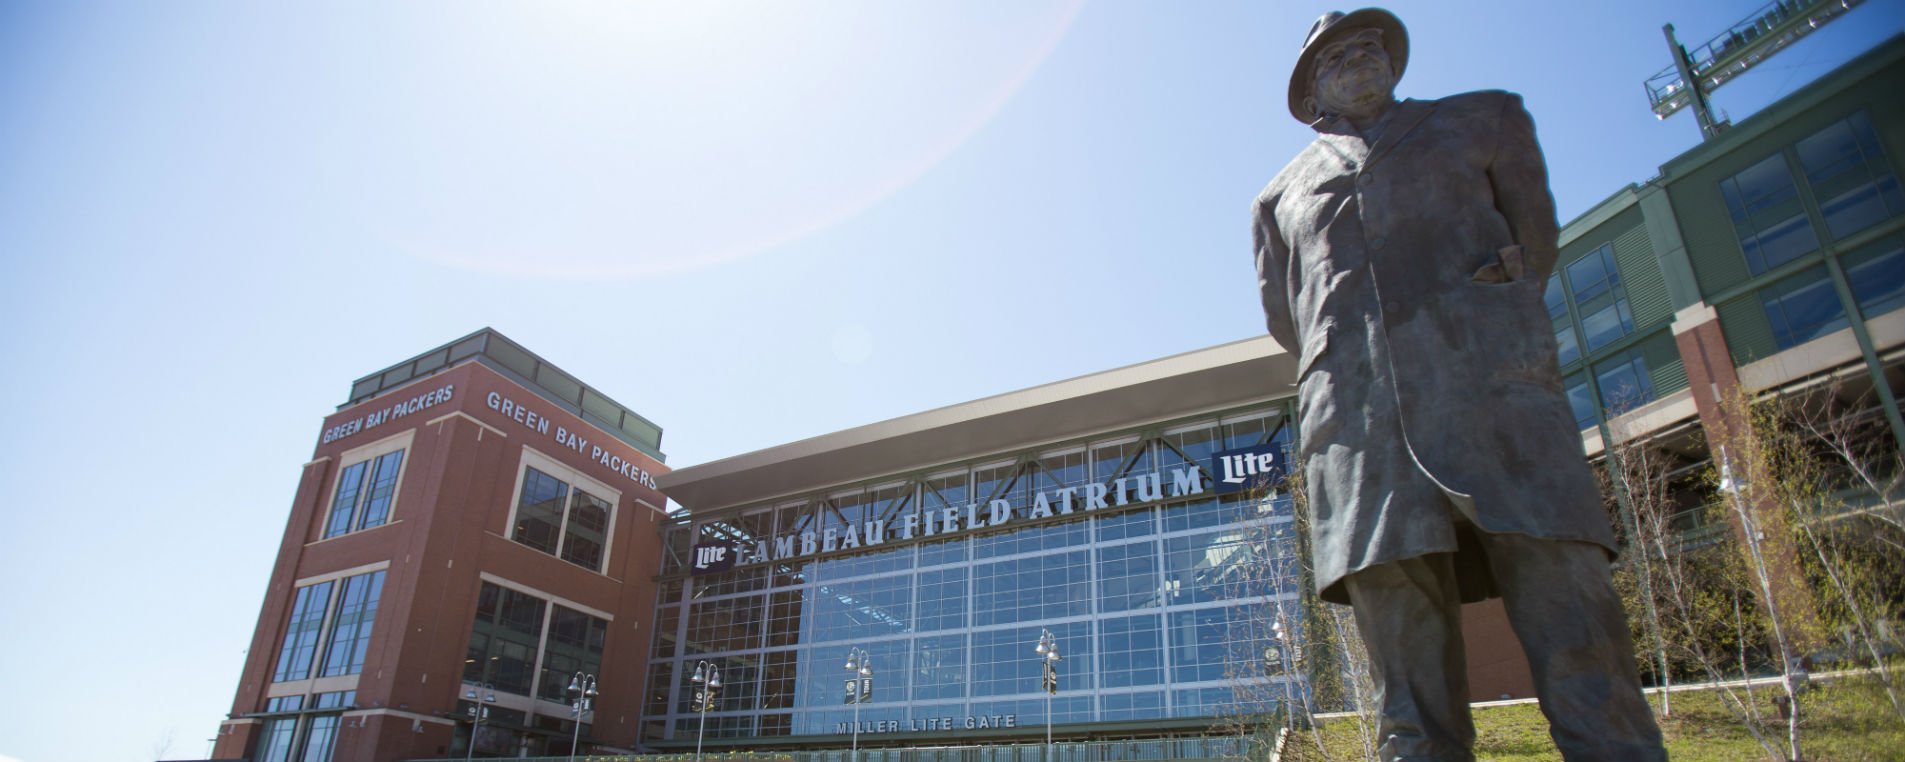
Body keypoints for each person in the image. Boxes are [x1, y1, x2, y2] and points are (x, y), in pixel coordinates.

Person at [1250, 9, 1667, 762]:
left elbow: (1530, 243)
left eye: (1370, 45)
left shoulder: (1485, 119)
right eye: (1336, 56)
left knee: (1577, 626)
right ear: (1312, 88)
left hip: (1496, 402)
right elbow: (1290, 319)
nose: (1359, 58)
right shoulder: (1278, 195)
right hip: (1359, 432)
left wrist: (1466, 316)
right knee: (1404, 688)